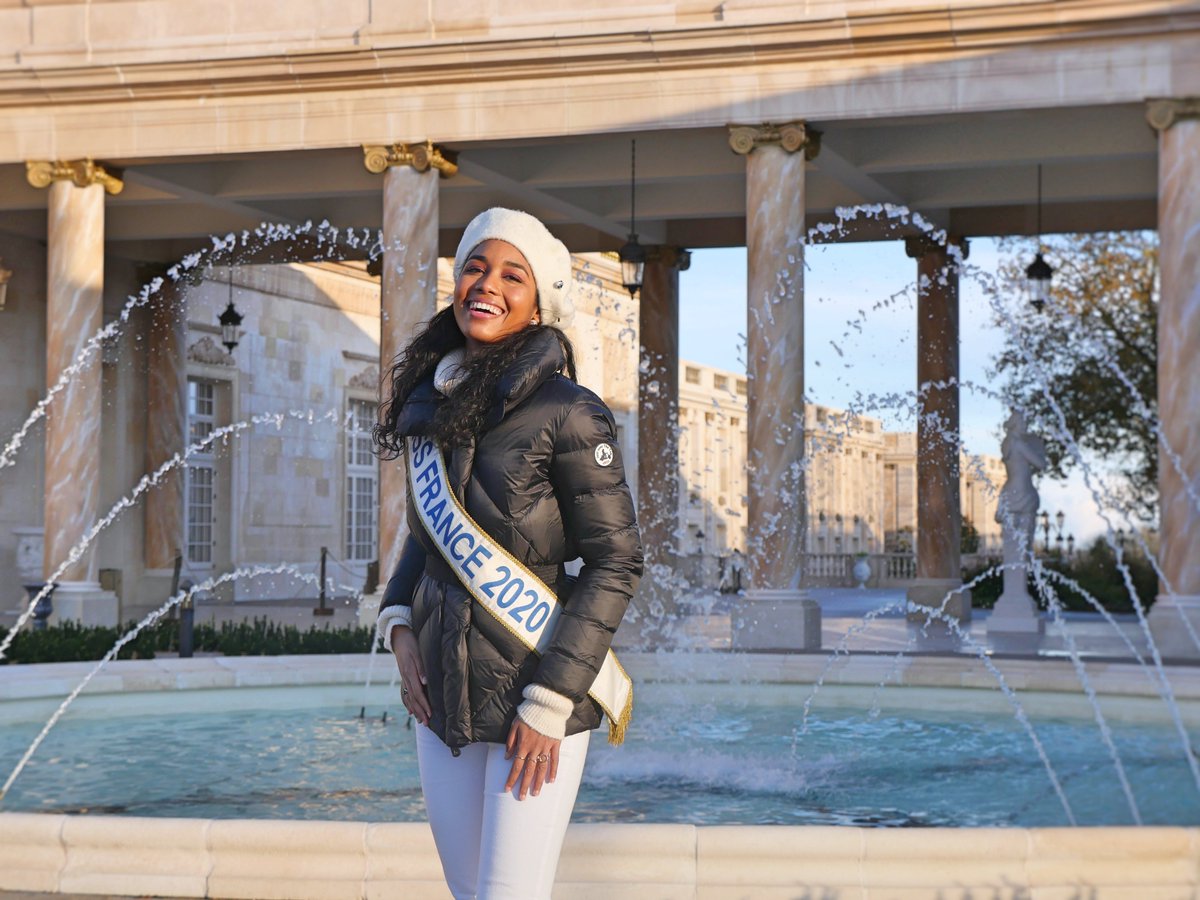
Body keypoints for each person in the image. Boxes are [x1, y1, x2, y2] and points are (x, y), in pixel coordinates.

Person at [372, 207, 643, 899]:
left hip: (536, 693)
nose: (486, 284)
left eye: (511, 275)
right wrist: (398, 623)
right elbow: (426, 537)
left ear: (536, 303)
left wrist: (550, 702)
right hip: (440, 700)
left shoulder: (570, 411)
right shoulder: (431, 400)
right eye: (475, 267)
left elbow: (616, 561)